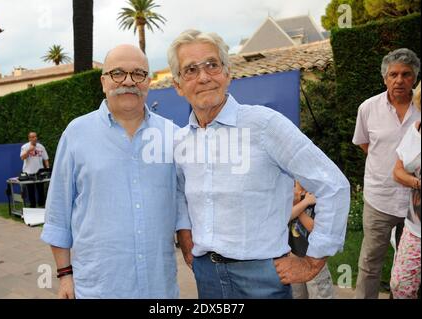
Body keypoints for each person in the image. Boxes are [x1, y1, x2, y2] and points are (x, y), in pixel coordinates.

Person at [169, 29, 350, 299]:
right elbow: (181, 193)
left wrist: (313, 260)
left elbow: (333, 185)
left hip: (262, 277)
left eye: (212, 65)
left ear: (227, 73)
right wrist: (186, 238)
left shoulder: (265, 125)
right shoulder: (180, 141)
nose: (204, 76)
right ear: (178, 86)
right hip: (206, 275)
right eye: (191, 70)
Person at [40, 44, 179, 298]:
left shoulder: (172, 136)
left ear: (148, 82)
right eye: (118, 73)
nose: (128, 81)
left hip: (159, 288)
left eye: (138, 74)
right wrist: (64, 277)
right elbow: (58, 212)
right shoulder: (76, 134)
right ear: (104, 82)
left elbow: (186, 204)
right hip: (97, 288)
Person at [353, 48, 421, 299]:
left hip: (416, 206)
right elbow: (364, 144)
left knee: (411, 267)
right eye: (393, 74)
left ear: (414, 77)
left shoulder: (421, 106)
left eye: (406, 74)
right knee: (370, 262)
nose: (399, 80)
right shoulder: (368, 108)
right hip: (379, 198)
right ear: (384, 78)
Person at [390, 81, 421, 299]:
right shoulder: (416, 130)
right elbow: (398, 171)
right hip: (415, 227)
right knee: (401, 286)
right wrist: (416, 182)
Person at [289, 181, 334, 299]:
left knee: (319, 294)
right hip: (294, 257)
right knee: (296, 294)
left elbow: (314, 228)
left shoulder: (316, 197)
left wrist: (301, 206)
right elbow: (285, 217)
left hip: (314, 259)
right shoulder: (291, 193)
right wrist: (301, 203)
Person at [20, 131, 49, 208]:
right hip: (28, 173)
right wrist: (29, 150)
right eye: (32, 137)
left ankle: (42, 206)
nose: (35, 138)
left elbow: (46, 159)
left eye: (35, 136)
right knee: (31, 192)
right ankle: (32, 207)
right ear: (29, 138)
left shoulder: (41, 147)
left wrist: (48, 169)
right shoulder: (25, 147)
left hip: (40, 172)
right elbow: (22, 158)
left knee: (41, 191)